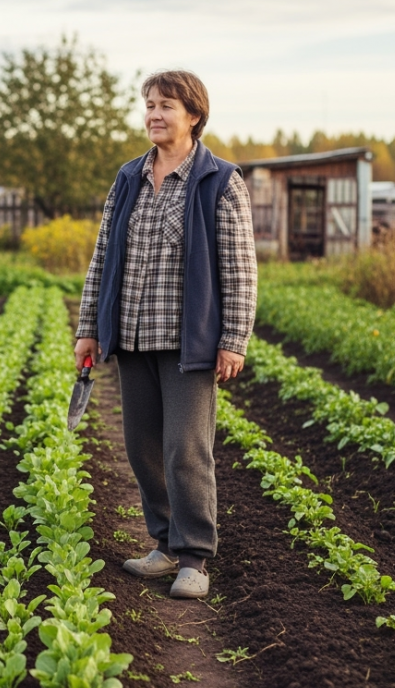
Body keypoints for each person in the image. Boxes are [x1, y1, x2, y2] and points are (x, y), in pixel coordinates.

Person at [74, 70, 256, 599]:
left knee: (185, 449)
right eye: (149, 105)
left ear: (193, 115)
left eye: (167, 106)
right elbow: (102, 257)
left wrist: (233, 338)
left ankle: (195, 558)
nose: (155, 114)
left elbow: (240, 268)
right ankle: (163, 544)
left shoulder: (220, 181)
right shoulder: (128, 176)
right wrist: (89, 328)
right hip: (131, 336)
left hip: (188, 343)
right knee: (141, 447)